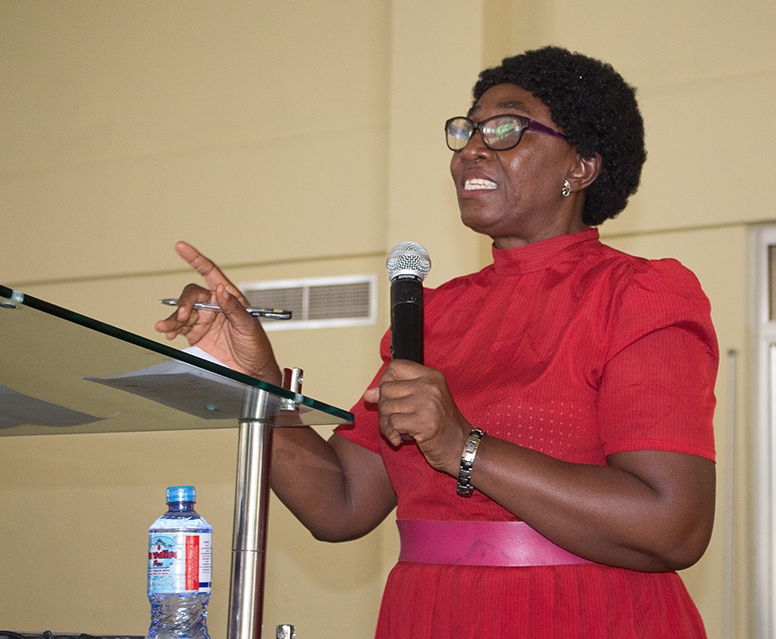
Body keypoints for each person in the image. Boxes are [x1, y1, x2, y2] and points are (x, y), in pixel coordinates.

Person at [156, 45, 719, 639]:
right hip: (427, 614)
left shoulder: (638, 295)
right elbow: (340, 504)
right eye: (466, 130)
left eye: (504, 128)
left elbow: (673, 525)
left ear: (580, 168)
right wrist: (256, 381)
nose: (471, 148)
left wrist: (463, 447)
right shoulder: (436, 315)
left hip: (587, 614)